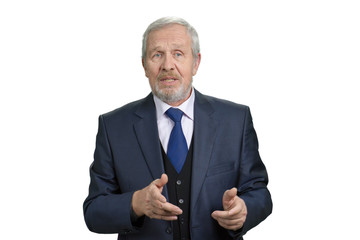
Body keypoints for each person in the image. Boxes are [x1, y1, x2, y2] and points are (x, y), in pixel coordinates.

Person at [83, 16, 272, 240]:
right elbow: (93, 212)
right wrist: (135, 203)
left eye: (178, 54)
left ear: (196, 63)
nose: (167, 65)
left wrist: (244, 210)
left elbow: (260, 192)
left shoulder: (235, 120)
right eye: (157, 55)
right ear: (144, 65)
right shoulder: (113, 126)